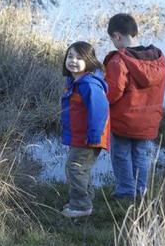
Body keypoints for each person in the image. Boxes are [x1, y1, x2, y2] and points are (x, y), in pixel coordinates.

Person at [103, 13, 165, 199]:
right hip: (148, 121)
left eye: (112, 39)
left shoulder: (119, 61)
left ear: (117, 36)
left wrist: (99, 98)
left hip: (124, 120)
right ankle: (140, 191)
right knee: (140, 154)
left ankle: (125, 192)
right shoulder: (158, 58)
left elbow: (113, 92)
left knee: (121, 155)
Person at [60, 41, 110, 218]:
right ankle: (84, 199)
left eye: (79, 58)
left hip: (89, 137)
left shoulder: (89, 84)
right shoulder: (74, 81)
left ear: (89, 61)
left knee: (75, 167)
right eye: (70, 56)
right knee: (80, 168)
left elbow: (99, 111)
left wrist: (94, 136)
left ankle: (81, 206)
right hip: (79, 135)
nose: (73, 61)